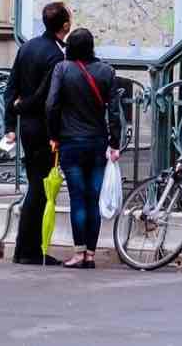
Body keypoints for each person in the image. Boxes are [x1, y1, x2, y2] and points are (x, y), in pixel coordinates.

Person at [46, 27, 122, 269]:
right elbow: (115, 112)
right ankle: (90, 253)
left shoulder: (62, 69)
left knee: (78, 199)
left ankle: (79, 252)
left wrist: (54, 135)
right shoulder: (106, 71)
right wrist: (115, 143)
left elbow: (51, 105)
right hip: (97, 142)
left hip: (70, 142)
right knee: (93, 199)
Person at [3, 1, 70, 265]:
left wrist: (11, 122)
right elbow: (46, 97)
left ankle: (25, 248)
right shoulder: (56, 55)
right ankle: (29, 250)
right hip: (44, 128)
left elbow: (11, 87)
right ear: (65, 25)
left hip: (26, 129)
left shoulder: (28, 47)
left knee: (36, 185)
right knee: (40, 189)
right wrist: (23, 107)